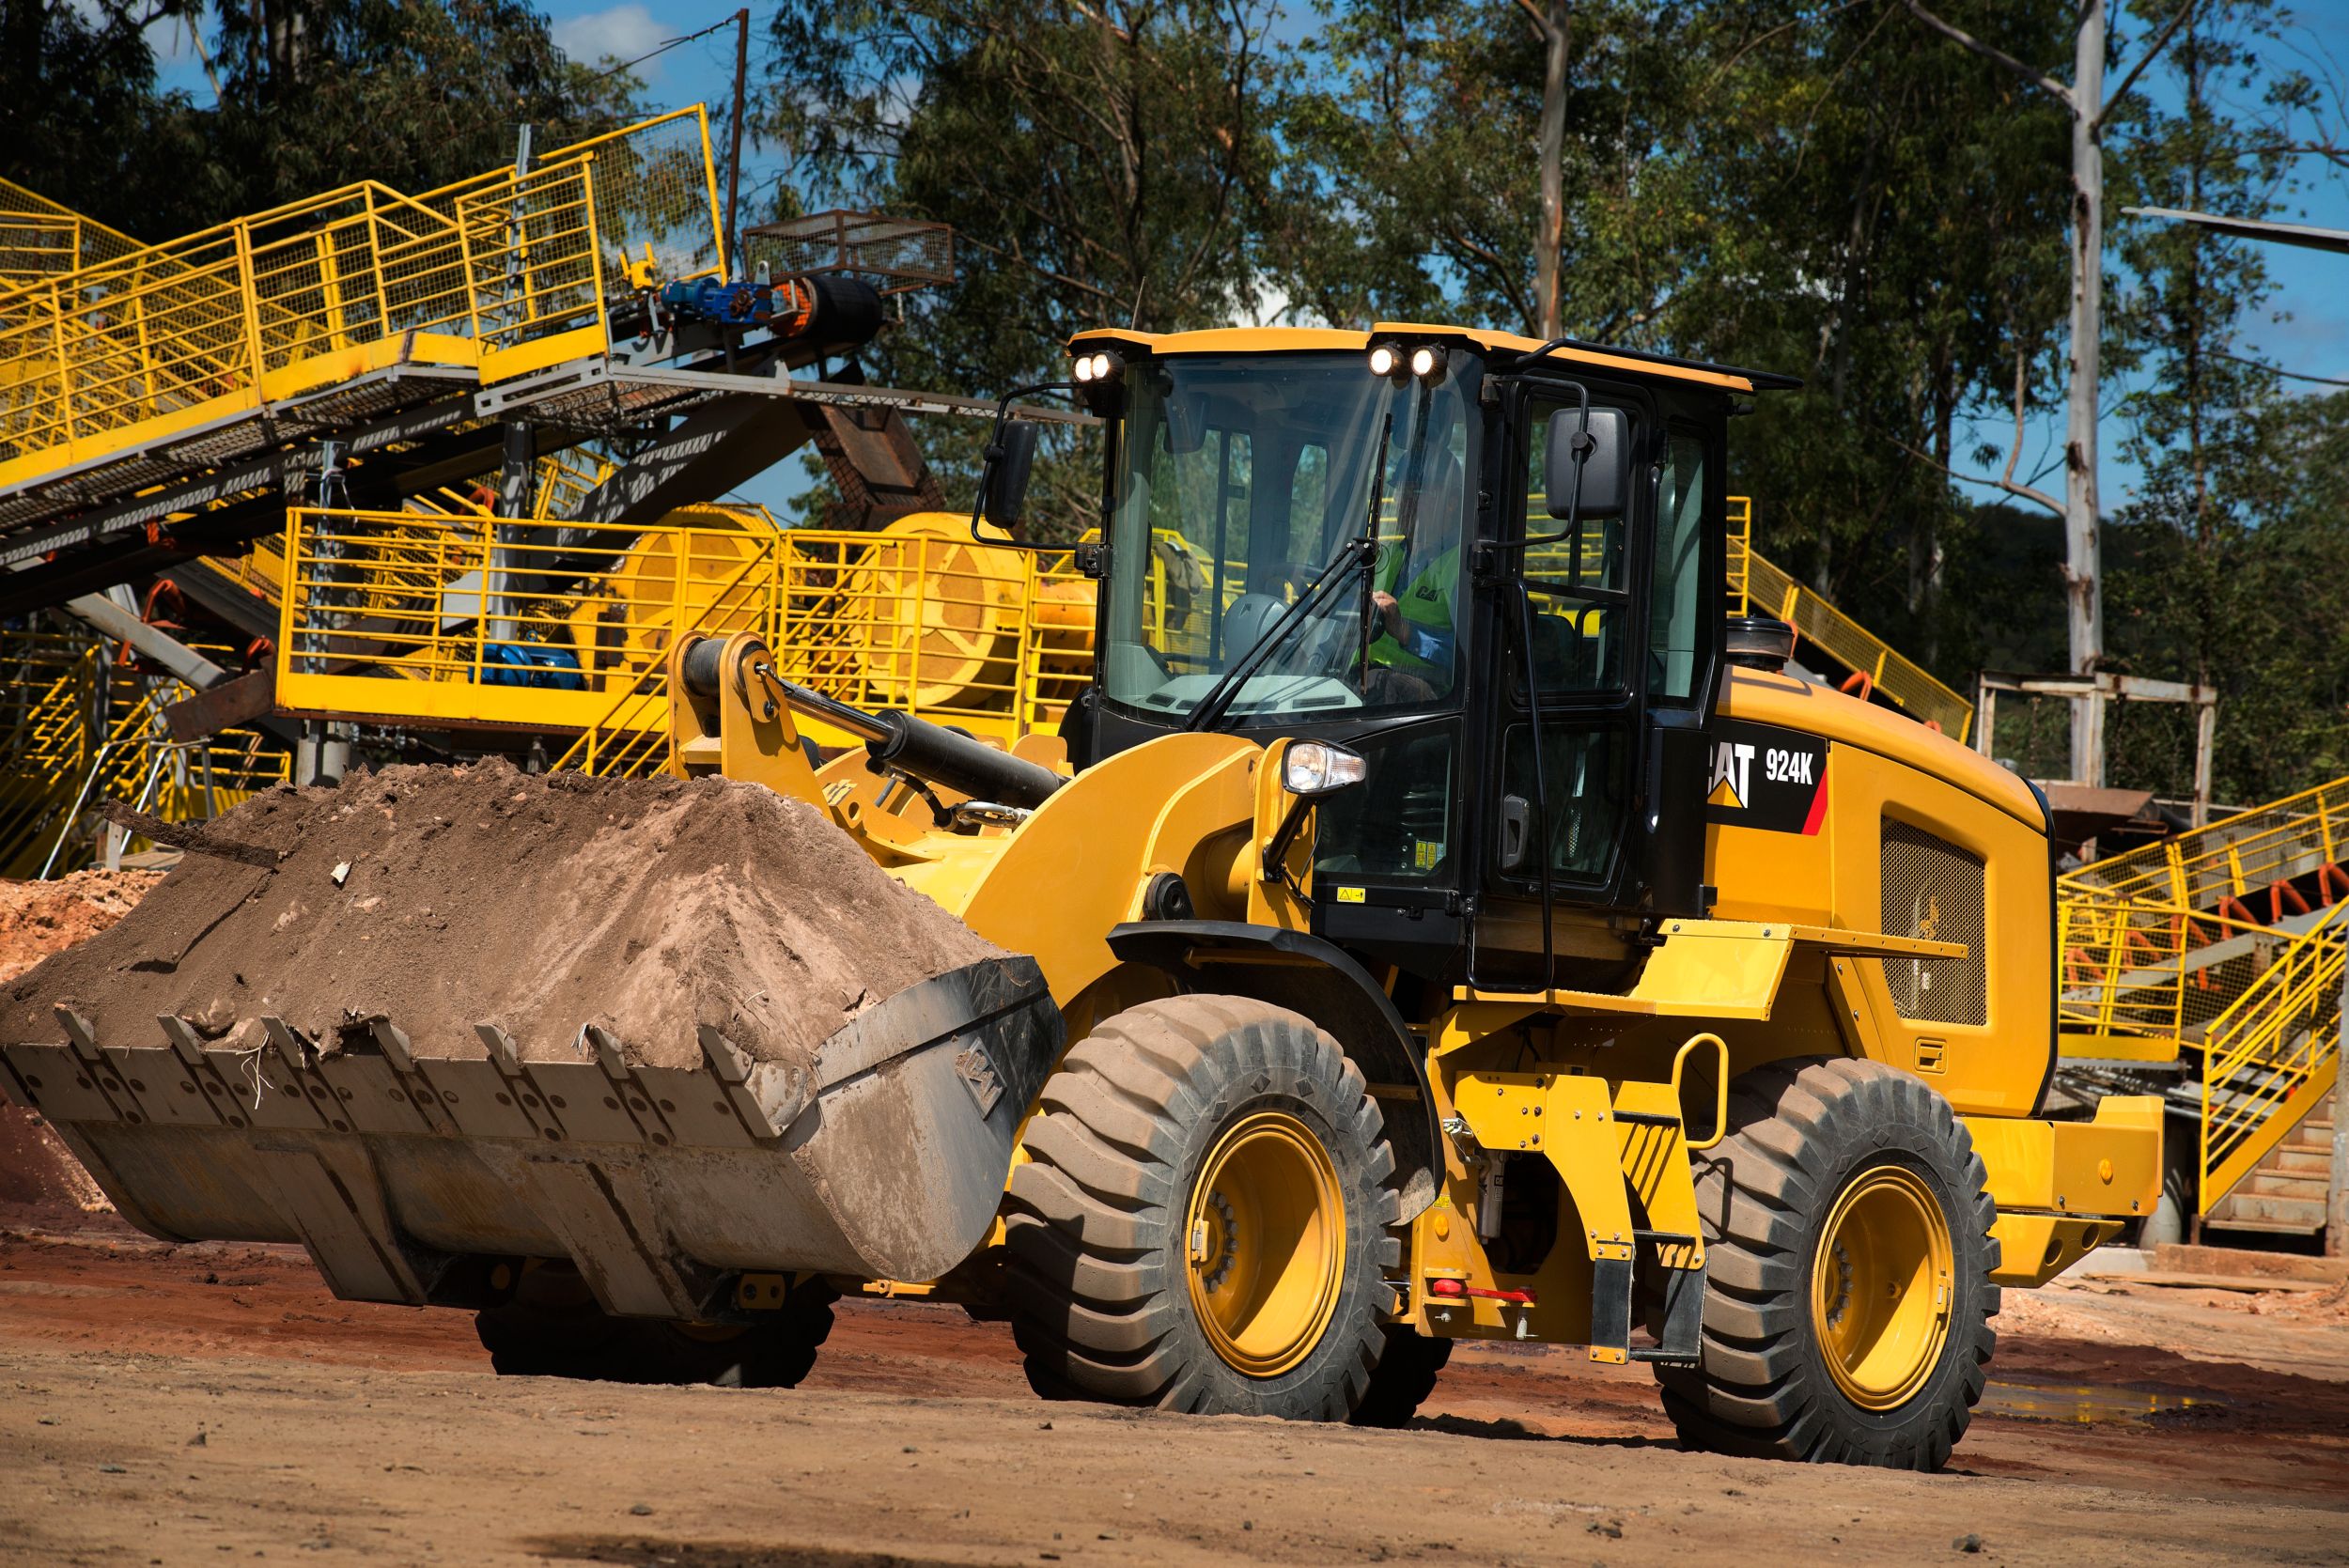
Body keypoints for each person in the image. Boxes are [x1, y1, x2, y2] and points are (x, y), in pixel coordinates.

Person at [1364, 440, 1466, 693]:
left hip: (1429, 698)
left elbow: (1473, 656)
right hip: (1367, 679)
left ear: (1451, 502)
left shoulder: (1464, 567)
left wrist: (1406, 632)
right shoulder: (1384, 557)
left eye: (1415, 494)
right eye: (1400, 493)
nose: (1403, 504)